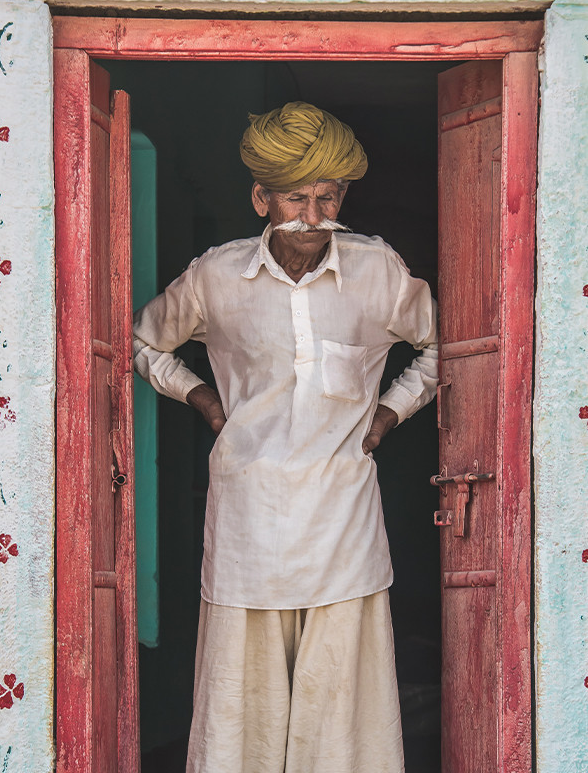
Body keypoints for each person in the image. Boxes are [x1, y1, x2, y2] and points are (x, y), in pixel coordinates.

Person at [132, 101, 438, 773]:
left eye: (329, 196)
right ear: (259, 197)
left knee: (341, 689)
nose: (314, 214)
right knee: (246, 691)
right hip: (251, 513)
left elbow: (446, 347)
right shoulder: (217, 276)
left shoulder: (377, 270)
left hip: (341, 510)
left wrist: (391, 410)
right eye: (296, 197)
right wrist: (203, 397)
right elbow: (144, 341)